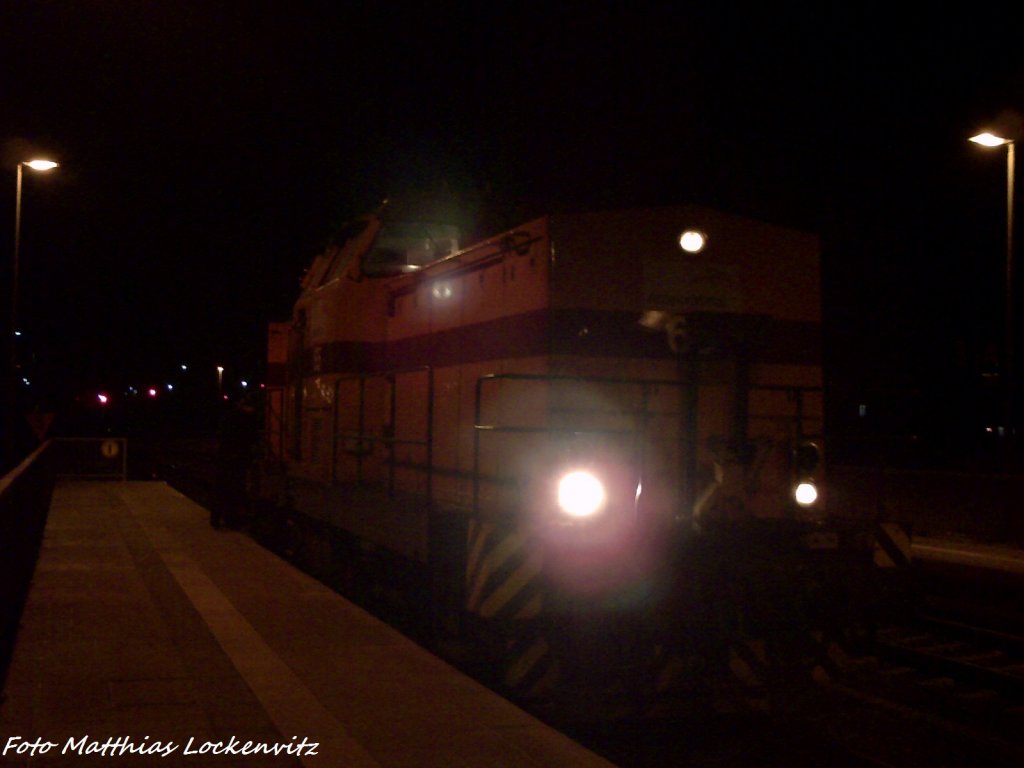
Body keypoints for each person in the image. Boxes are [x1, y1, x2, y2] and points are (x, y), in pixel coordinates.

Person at [211, 395, 258, 529]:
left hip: (224, 456)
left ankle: (215, 519)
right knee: (234, 490)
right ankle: (231, 520)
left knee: (221, 489)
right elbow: (250, 438)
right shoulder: (245, 420)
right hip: (237, 459)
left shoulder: (228, 417)